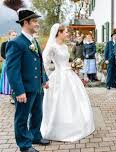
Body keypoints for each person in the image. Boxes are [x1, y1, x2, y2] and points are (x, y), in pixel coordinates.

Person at [4, 7, 50, 152]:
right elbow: (12, 70)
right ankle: (24, 145)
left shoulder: (34, 42)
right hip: (24, 89)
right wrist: (19, 91)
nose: (37, 24)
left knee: (38, 114)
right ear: (25, 22)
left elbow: (39, 62)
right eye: (35, 21)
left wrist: (44, 79)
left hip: (37, 87)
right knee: (22, 118)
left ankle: (36, 136)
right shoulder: (16, 43)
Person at [41, 23, 95, 142]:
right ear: (59, 33)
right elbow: (45, 63)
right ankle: (57, 126)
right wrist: (44, 79)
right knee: (60, 101)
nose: (67, 34)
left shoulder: (65, 47)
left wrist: (74, 66)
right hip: (58, 76)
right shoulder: (52, 47)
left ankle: (75, 123)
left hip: (69, 74)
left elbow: (66, 61)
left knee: (73, 100)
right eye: (66, 32)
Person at [0, 31, 17, 104]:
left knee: (16, 79)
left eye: (16, 35)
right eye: (13, 35)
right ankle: (11, 97)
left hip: (17, 63)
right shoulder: (4, 44)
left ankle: (15, 95)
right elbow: (3, 54)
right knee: (8, 80)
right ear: (9, 35)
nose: (15, 36)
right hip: (8, 63)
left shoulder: (18, 43)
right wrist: (11, 58)